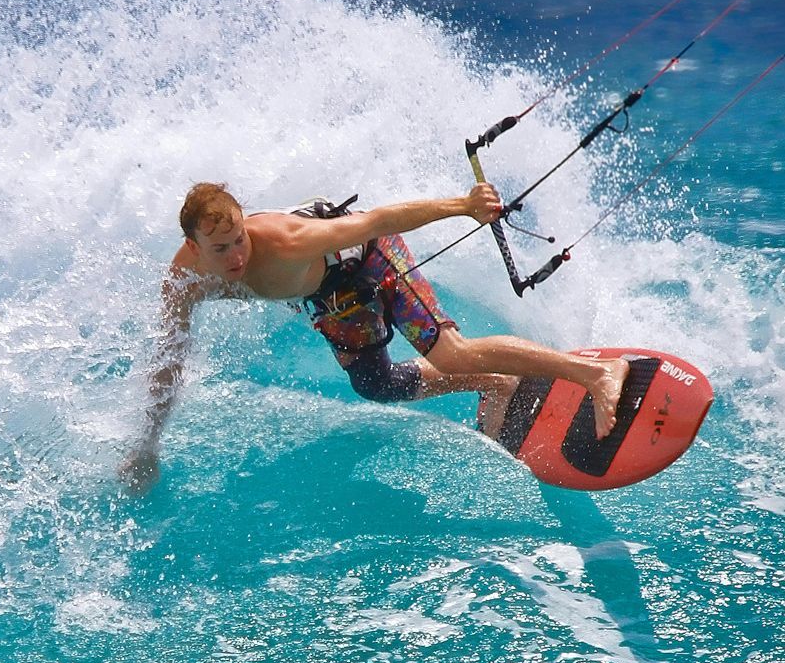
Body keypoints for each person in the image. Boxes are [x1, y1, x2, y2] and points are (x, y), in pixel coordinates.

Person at [121, 180, 630, 491]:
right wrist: (147, 446)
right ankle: (497, 382)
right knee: (375, 384)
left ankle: (595, 373)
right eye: (221, 249)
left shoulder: (288, 241)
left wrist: (464, 204)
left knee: (449, 353)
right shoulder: (184, 283)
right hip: (331, 292)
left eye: (239, 240)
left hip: (369, 253)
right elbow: (169, 360)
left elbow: (379, 219)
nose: (236, 256)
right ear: (193, 245)